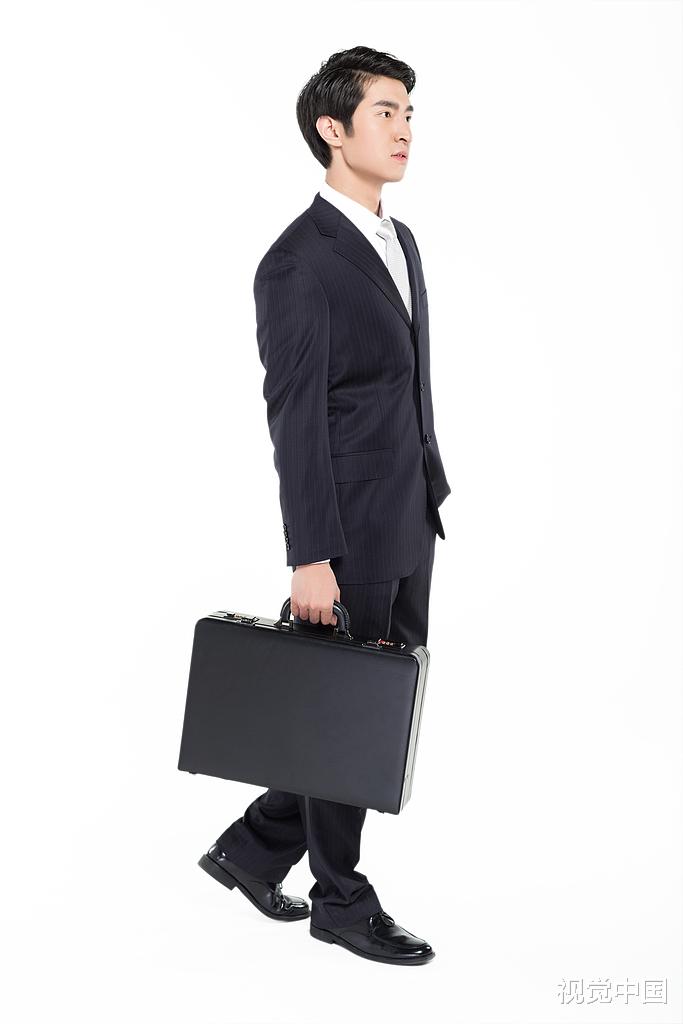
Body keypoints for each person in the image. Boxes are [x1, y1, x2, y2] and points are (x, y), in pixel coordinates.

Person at [197, 45, 450, 966]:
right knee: (349, 718)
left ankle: (252, 848)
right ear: (331, 129)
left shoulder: (397, 238)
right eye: (386, 112)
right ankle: (342, 902)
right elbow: (295, 419)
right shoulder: (297, 264)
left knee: (362, 705)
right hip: (345, 531)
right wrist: (311, 556)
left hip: (408, 512)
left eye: (409, 112)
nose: (405, 128)